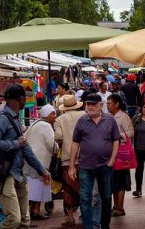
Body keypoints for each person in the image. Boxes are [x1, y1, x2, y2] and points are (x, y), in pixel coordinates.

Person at [0, 84, 51, 229]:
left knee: (24, 221)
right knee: (13, 220)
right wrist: (15, 143)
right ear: (21, 99)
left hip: (17, 174)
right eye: (24, 99)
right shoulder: (2, 119)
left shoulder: (14, 118)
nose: (25, 102)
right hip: (4, 175)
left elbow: (25, 147)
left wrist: (42, 170)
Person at [68, 93, 120, 229]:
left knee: (106, 197)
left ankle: (105, 225)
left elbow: (116, 140)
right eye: (87, 104)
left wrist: (112, 160)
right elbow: (75, 143)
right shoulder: (82, 121)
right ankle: (88, 226)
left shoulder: (110, 120)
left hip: (105, 166)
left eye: (93, 104)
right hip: (86, 167)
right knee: (85, 198)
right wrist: (72, 166)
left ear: (100, 105)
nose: (89, 107)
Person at [54, 94, 84, 227]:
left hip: (67, 158)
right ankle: (86, 213)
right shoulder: (84, 115)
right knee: (85, 186)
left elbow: (59, 137)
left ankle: (70, 216)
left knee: (69, 188)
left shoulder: (59, 119)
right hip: (85, 157)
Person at [24, 104, 57, 220]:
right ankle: (36, 211)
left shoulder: (35, 123)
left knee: (33, 187)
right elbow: (51, 145)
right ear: (46, 115)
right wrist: (57, 147)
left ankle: (33, 210)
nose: (55, 116)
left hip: (30, 160)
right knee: (38, 185)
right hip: (40, 161)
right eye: (52, 114)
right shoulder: (47, 126)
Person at [106, 94, 133, 217]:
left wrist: (117, 136)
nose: (107, 106)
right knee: (114, 182)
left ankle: (119, 208)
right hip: (111, 154)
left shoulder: (123, 117)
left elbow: (130, 132)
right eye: (106, 104)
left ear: (116, 104)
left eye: (109, 103)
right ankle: (115, 206)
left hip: (121, 154)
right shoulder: (107, 117)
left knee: (120, 181)